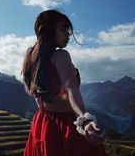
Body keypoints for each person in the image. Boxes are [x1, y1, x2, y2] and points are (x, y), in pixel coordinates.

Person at [21, 10, 106, 156]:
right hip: (66, 127)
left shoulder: (31, 59)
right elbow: (71, 89)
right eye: (63, 28)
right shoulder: (61, 55)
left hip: (42, 125)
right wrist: (84, 121)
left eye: (68, 29)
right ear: (48, 30)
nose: (68, 33)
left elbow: (39, 98)